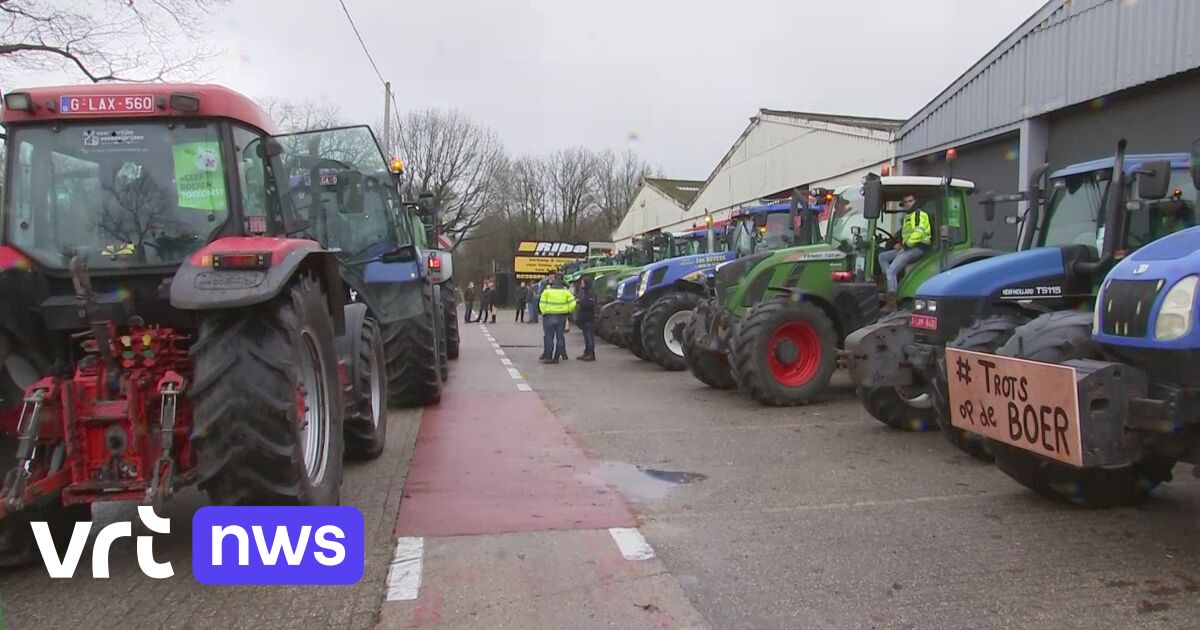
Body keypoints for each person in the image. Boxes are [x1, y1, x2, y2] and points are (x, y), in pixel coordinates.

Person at [877, 193, 931, 308]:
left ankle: (891, 300)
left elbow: (918, 233)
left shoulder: (919, 214)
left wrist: (904, 247)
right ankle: (890, 282)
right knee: (882, 257)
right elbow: (905, 234)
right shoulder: (908, 216)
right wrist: (898, 244)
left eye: (910, 201)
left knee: (891, 271)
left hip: (918, 248)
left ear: (915, 201)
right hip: (908, 247)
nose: (907, 204)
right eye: (905, 202)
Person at [539, 274, 576, 363]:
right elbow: (573, 304)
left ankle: (548, 357)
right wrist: (567, 310)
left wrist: (544, 312)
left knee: (549, 337)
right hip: (561, 316)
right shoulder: (566, 292)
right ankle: (557, 357)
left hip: (548, 316)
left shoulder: (547, 292)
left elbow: (541, 303)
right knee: (560, 337)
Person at [575, 276, 597, 361]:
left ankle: (591, 354)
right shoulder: (584, 292)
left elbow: (590, 304)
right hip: (584, 318)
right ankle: (587, 352)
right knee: (586, 337)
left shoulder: (590, 293)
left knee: (589, 336)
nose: (581, 284)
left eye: (582, 283)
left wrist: (580, 302)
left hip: (589, 318)